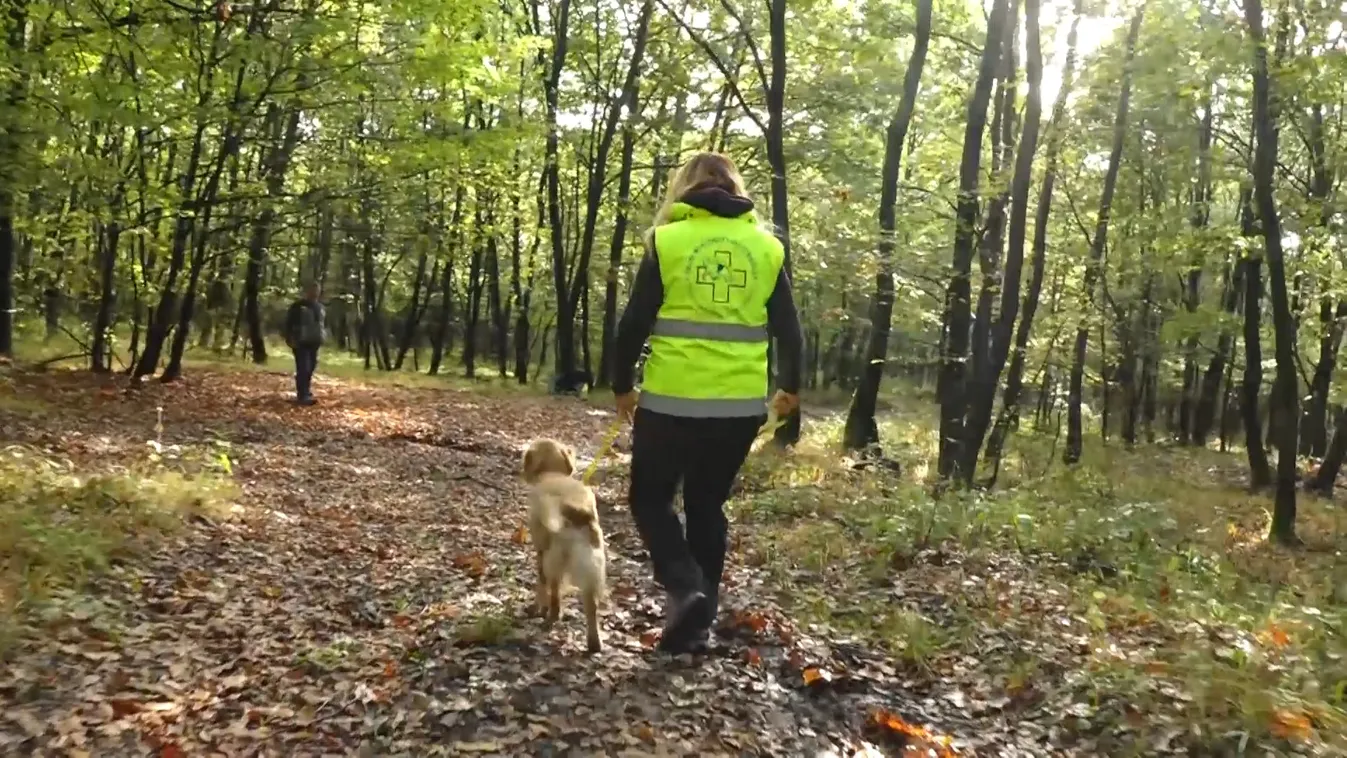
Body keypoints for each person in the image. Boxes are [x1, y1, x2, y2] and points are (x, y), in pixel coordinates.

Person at [610, 152, 803, 654]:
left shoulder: (667, 241)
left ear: (684, 187)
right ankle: (697, 622)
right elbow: (790, 330)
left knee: (650, 499)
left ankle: (684, 588)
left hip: (671, 400)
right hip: (738, 406)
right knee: (706, 504)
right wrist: (791, 386)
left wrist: (621, 384)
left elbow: (634, 322)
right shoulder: (766, 248)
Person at [284, 282, 326, 405]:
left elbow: (322, 324)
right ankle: (302, 395)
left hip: (314, 342)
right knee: (304, 367)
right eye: (313, 290)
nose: (315, 293)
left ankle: (306, 391)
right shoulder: (298, 306)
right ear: (307, 292)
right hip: (300, 341)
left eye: (317, 290)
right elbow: (289, 323)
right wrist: (289, 337)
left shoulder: (320, 307)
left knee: (311, 367)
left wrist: (322, 337)